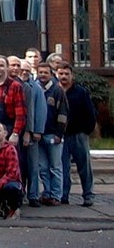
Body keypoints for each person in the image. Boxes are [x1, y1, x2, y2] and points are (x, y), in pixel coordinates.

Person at [58, 63, 97, 207]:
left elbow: (90, 112)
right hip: (61, 136)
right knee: (62, 167)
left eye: (66, 74)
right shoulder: (56, 91)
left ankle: (88, 195)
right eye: (61, 74)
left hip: (78, 134)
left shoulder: (80, 92)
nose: (63, 77)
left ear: (71, 75)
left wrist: (86, 130)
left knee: (84, 166)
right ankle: (63, 196)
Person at [36, 62, 68, 206]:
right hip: (38, 135)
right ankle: (47, 193)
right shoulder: (35, 89)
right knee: (42, 167)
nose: (42, 75)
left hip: (53, 135)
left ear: (51, 74)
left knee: (55, 167)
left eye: (45, 72)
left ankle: (56, 195)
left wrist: (59, 134)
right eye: (40, 72)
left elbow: (63, 114)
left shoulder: (57, 90)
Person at [15, 57, 45, 206]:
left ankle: (33, 195)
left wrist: (33, 131)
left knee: (32, 166)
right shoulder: (15, 86)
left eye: (27, 70)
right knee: (19, 165)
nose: (24, 73)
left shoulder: (34, 88)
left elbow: (36, 111)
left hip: (30, 132)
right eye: (22, 70)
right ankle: (20, 193)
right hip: (16, 131)